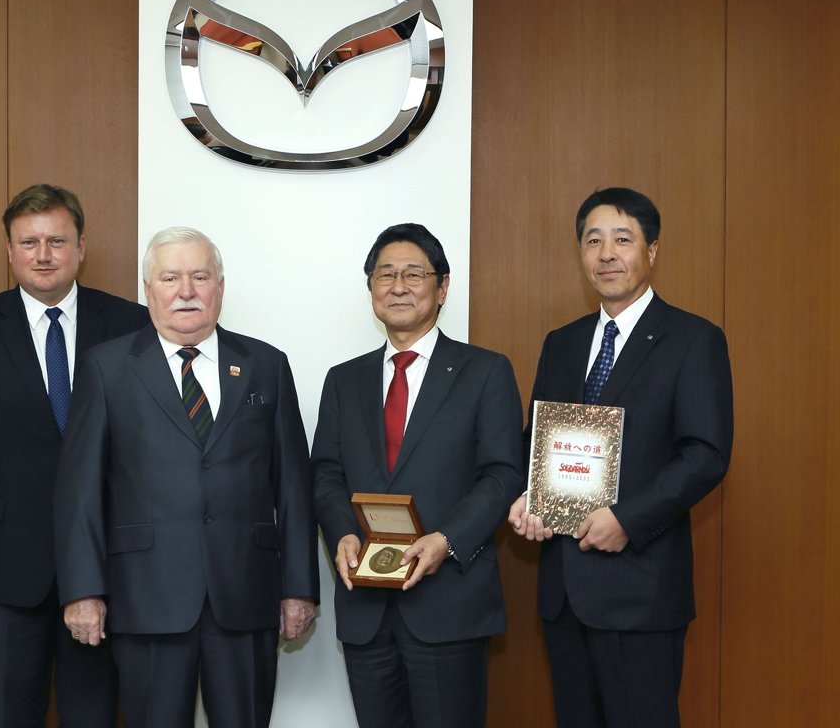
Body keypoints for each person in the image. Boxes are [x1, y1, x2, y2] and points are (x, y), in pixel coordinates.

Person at [53, 227, 319, 728]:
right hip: (145, 597)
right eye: (170, 278)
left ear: (220, 286)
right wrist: (83, 590)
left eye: (200, 276)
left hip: (245, 595)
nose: (186, 291)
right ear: (147, 290)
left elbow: (294, 488)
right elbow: (79, 492)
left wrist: (299, 588)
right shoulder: (106, 369)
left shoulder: (266, 365)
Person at [509, 187, 733, 728]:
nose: (606, 254)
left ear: (651, 250)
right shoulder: (561, 343)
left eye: (623, 239)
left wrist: (627, 520)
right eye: (593, 241)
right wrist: (527, 496)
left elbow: (705, 454)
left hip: (641, 590)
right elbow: (537, 442)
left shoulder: (693, 339)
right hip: (564, 593)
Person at [0, 184, 149, 727]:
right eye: (29, 242)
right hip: (4, 570)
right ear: (10, 251)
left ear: (81, 247)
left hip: (104, 569)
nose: (43, 255)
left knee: (94, 716)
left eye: (57, 241)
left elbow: (149, 448)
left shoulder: (130, 324)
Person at [312, 223, 525, 728]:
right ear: (371, 289)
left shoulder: (485, 372)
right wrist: (341, 533)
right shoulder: (343, 379)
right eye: (385, 275)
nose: (398, 286)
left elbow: (502, 473)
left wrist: (446, 540)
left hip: (448, 604)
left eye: (414, 274)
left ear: (442, 287)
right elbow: (325, 472)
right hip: (366, 608)